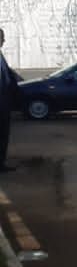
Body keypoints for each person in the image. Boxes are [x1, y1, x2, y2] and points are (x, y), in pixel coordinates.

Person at [0, 28, 19, 170]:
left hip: (4, 101)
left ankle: (1, 163)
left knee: (4, 134)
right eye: (2, 37)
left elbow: (6, 74)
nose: (4, 41)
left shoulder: (1, 55)